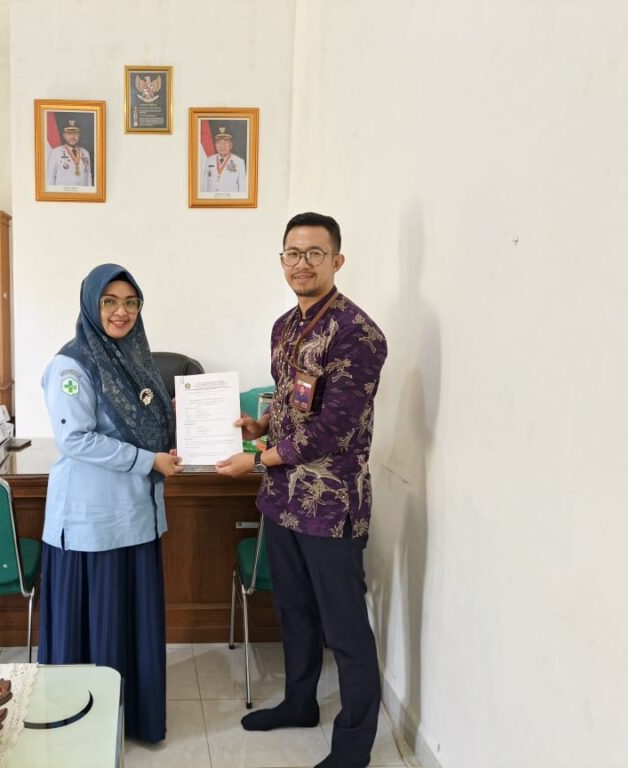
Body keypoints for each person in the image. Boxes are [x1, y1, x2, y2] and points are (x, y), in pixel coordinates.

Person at [216, 212, 387, 768]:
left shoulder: (358, 334)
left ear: (337, 260)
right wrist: (260, 425)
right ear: (282, 260)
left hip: (331, 507)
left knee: (345, 627)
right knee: (293, 610)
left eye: (315, 253)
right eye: (293, 253)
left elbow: (333, 427)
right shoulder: (285, 326)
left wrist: (256, 458)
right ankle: (299, 702)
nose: (302, 264)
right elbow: (294, 400)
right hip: (282, 500)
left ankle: (353, 747)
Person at [39, 263, 182, 744]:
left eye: (131, 302)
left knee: (130, 626)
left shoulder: (134, 359)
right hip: (92, 524)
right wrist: (149, 459)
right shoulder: (72, 365)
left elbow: (146, 417)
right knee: (97, 626)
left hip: (136, 518)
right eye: (109, 302)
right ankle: (83, 729)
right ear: (91, 305)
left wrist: (180, 416)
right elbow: (75, 439)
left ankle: (134, 719)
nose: (122, 312)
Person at [199, 125, 247, 194]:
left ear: (231, 145)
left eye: (226, 142)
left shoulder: (239, 162)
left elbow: (243, 189)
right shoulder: (209, 160)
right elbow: (204, 186)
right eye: (219, 142)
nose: (222, 145)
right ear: (215, 145)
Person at [47, 118, 93, 187]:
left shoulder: (85, 152)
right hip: (63, 192)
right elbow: (50, 177)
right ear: (64, 135)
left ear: (79, 135)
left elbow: (88, 176)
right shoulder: (56, 152)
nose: (72, 137)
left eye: (75, 133)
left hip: (82, 191)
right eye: (69, 133)